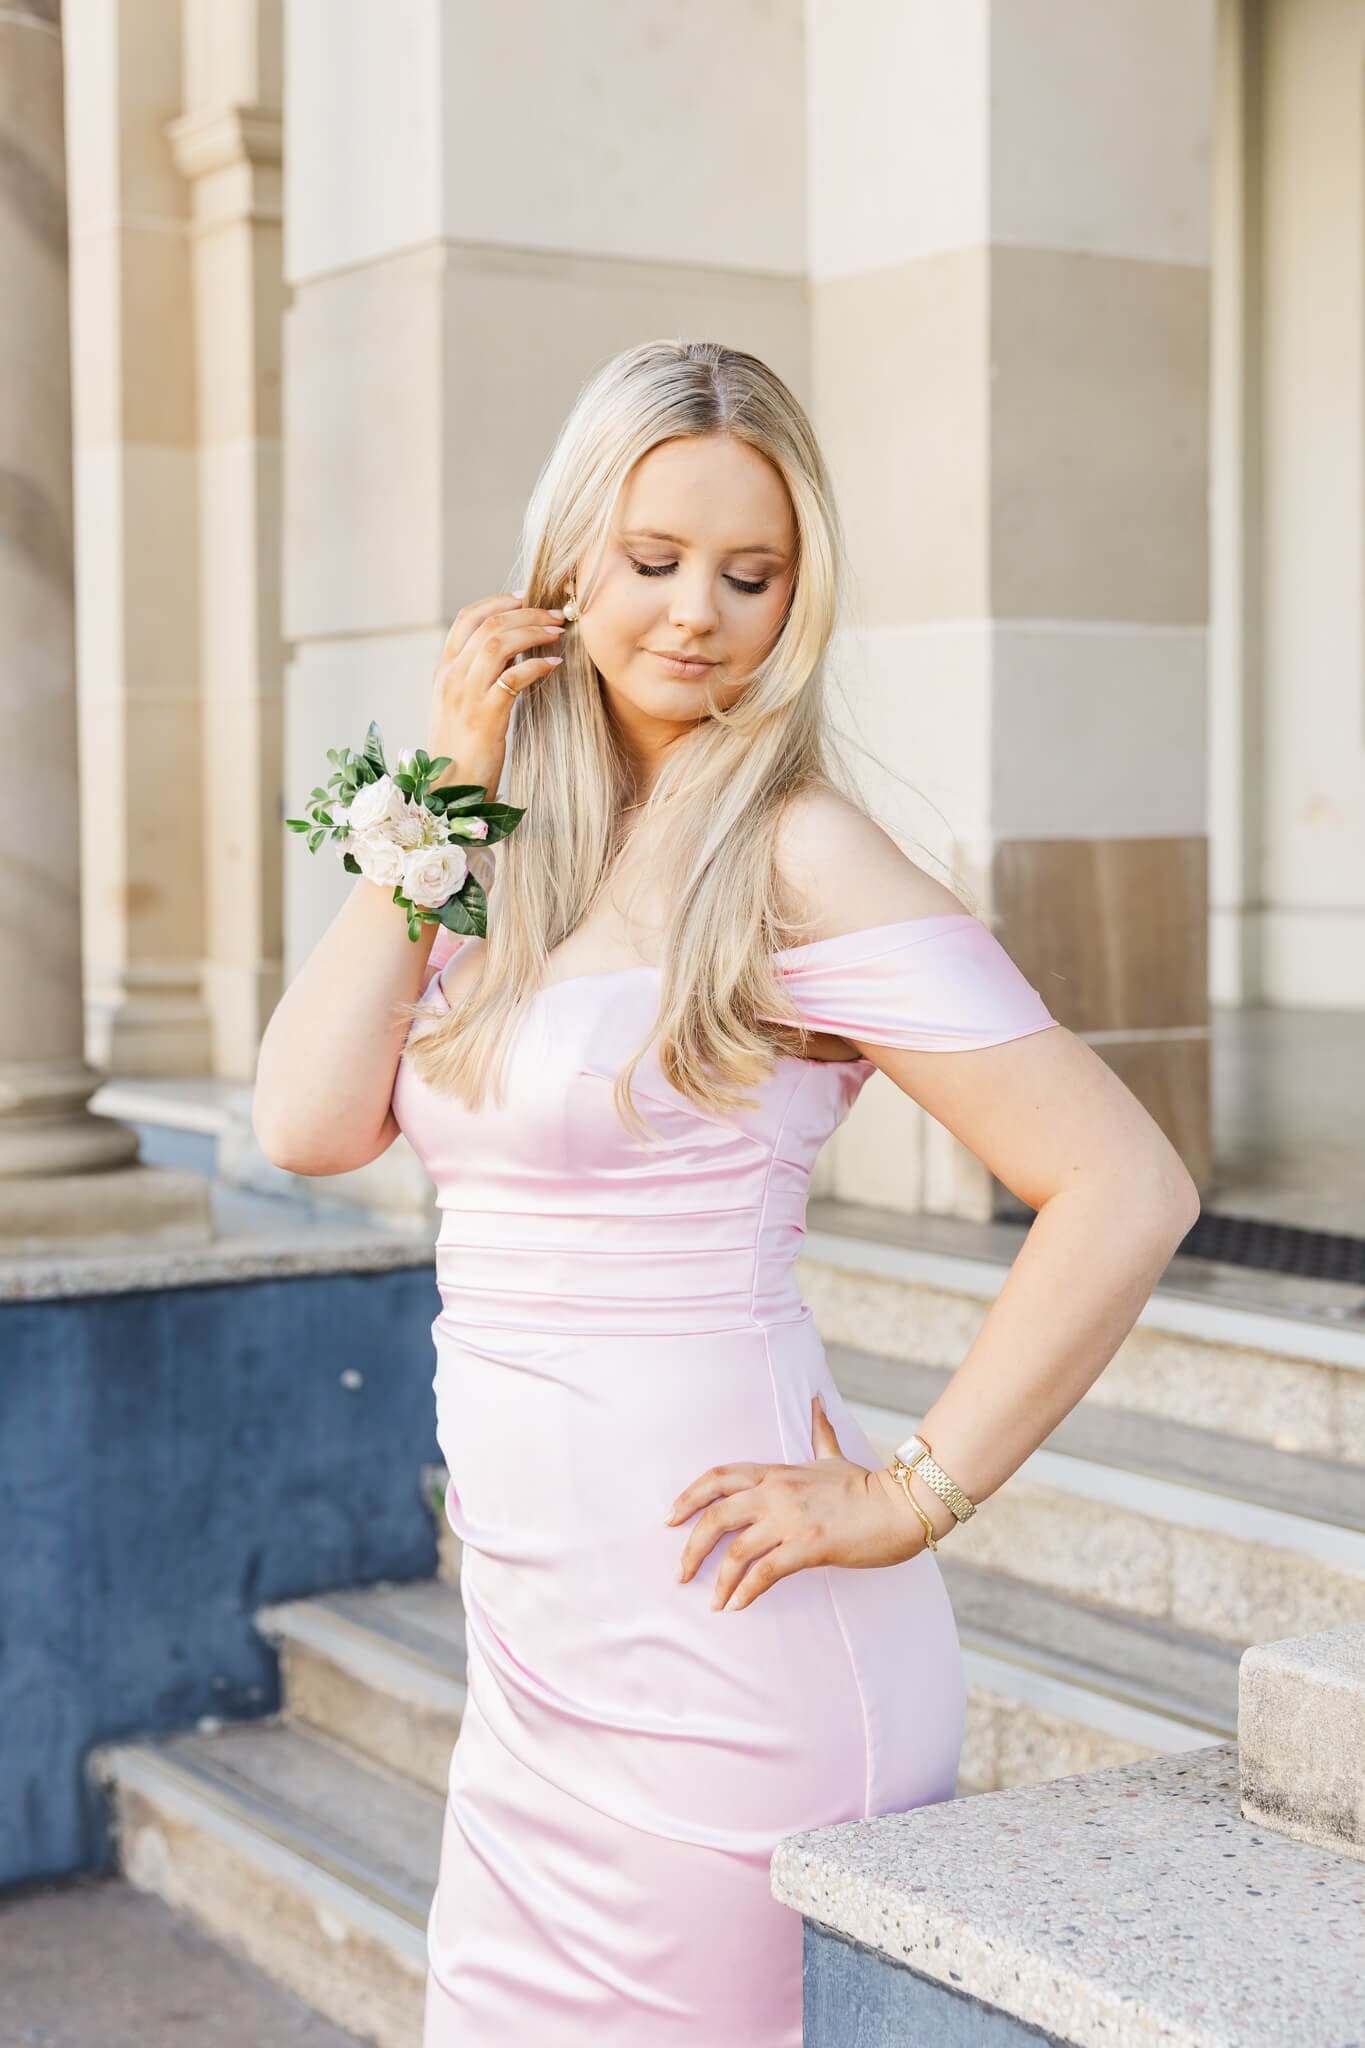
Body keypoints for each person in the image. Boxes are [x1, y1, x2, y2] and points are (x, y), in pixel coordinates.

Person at [252, 339, 1200, 2047]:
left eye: (750, 575)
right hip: (536, 1668)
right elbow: (309, 1124)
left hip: (736, 1658)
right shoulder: (488, 845)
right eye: (652, 561)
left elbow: (1123, 1184)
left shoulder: (796, 852)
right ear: (562, 568)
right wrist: (437, 790)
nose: (698, 614)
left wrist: (911, 1494)